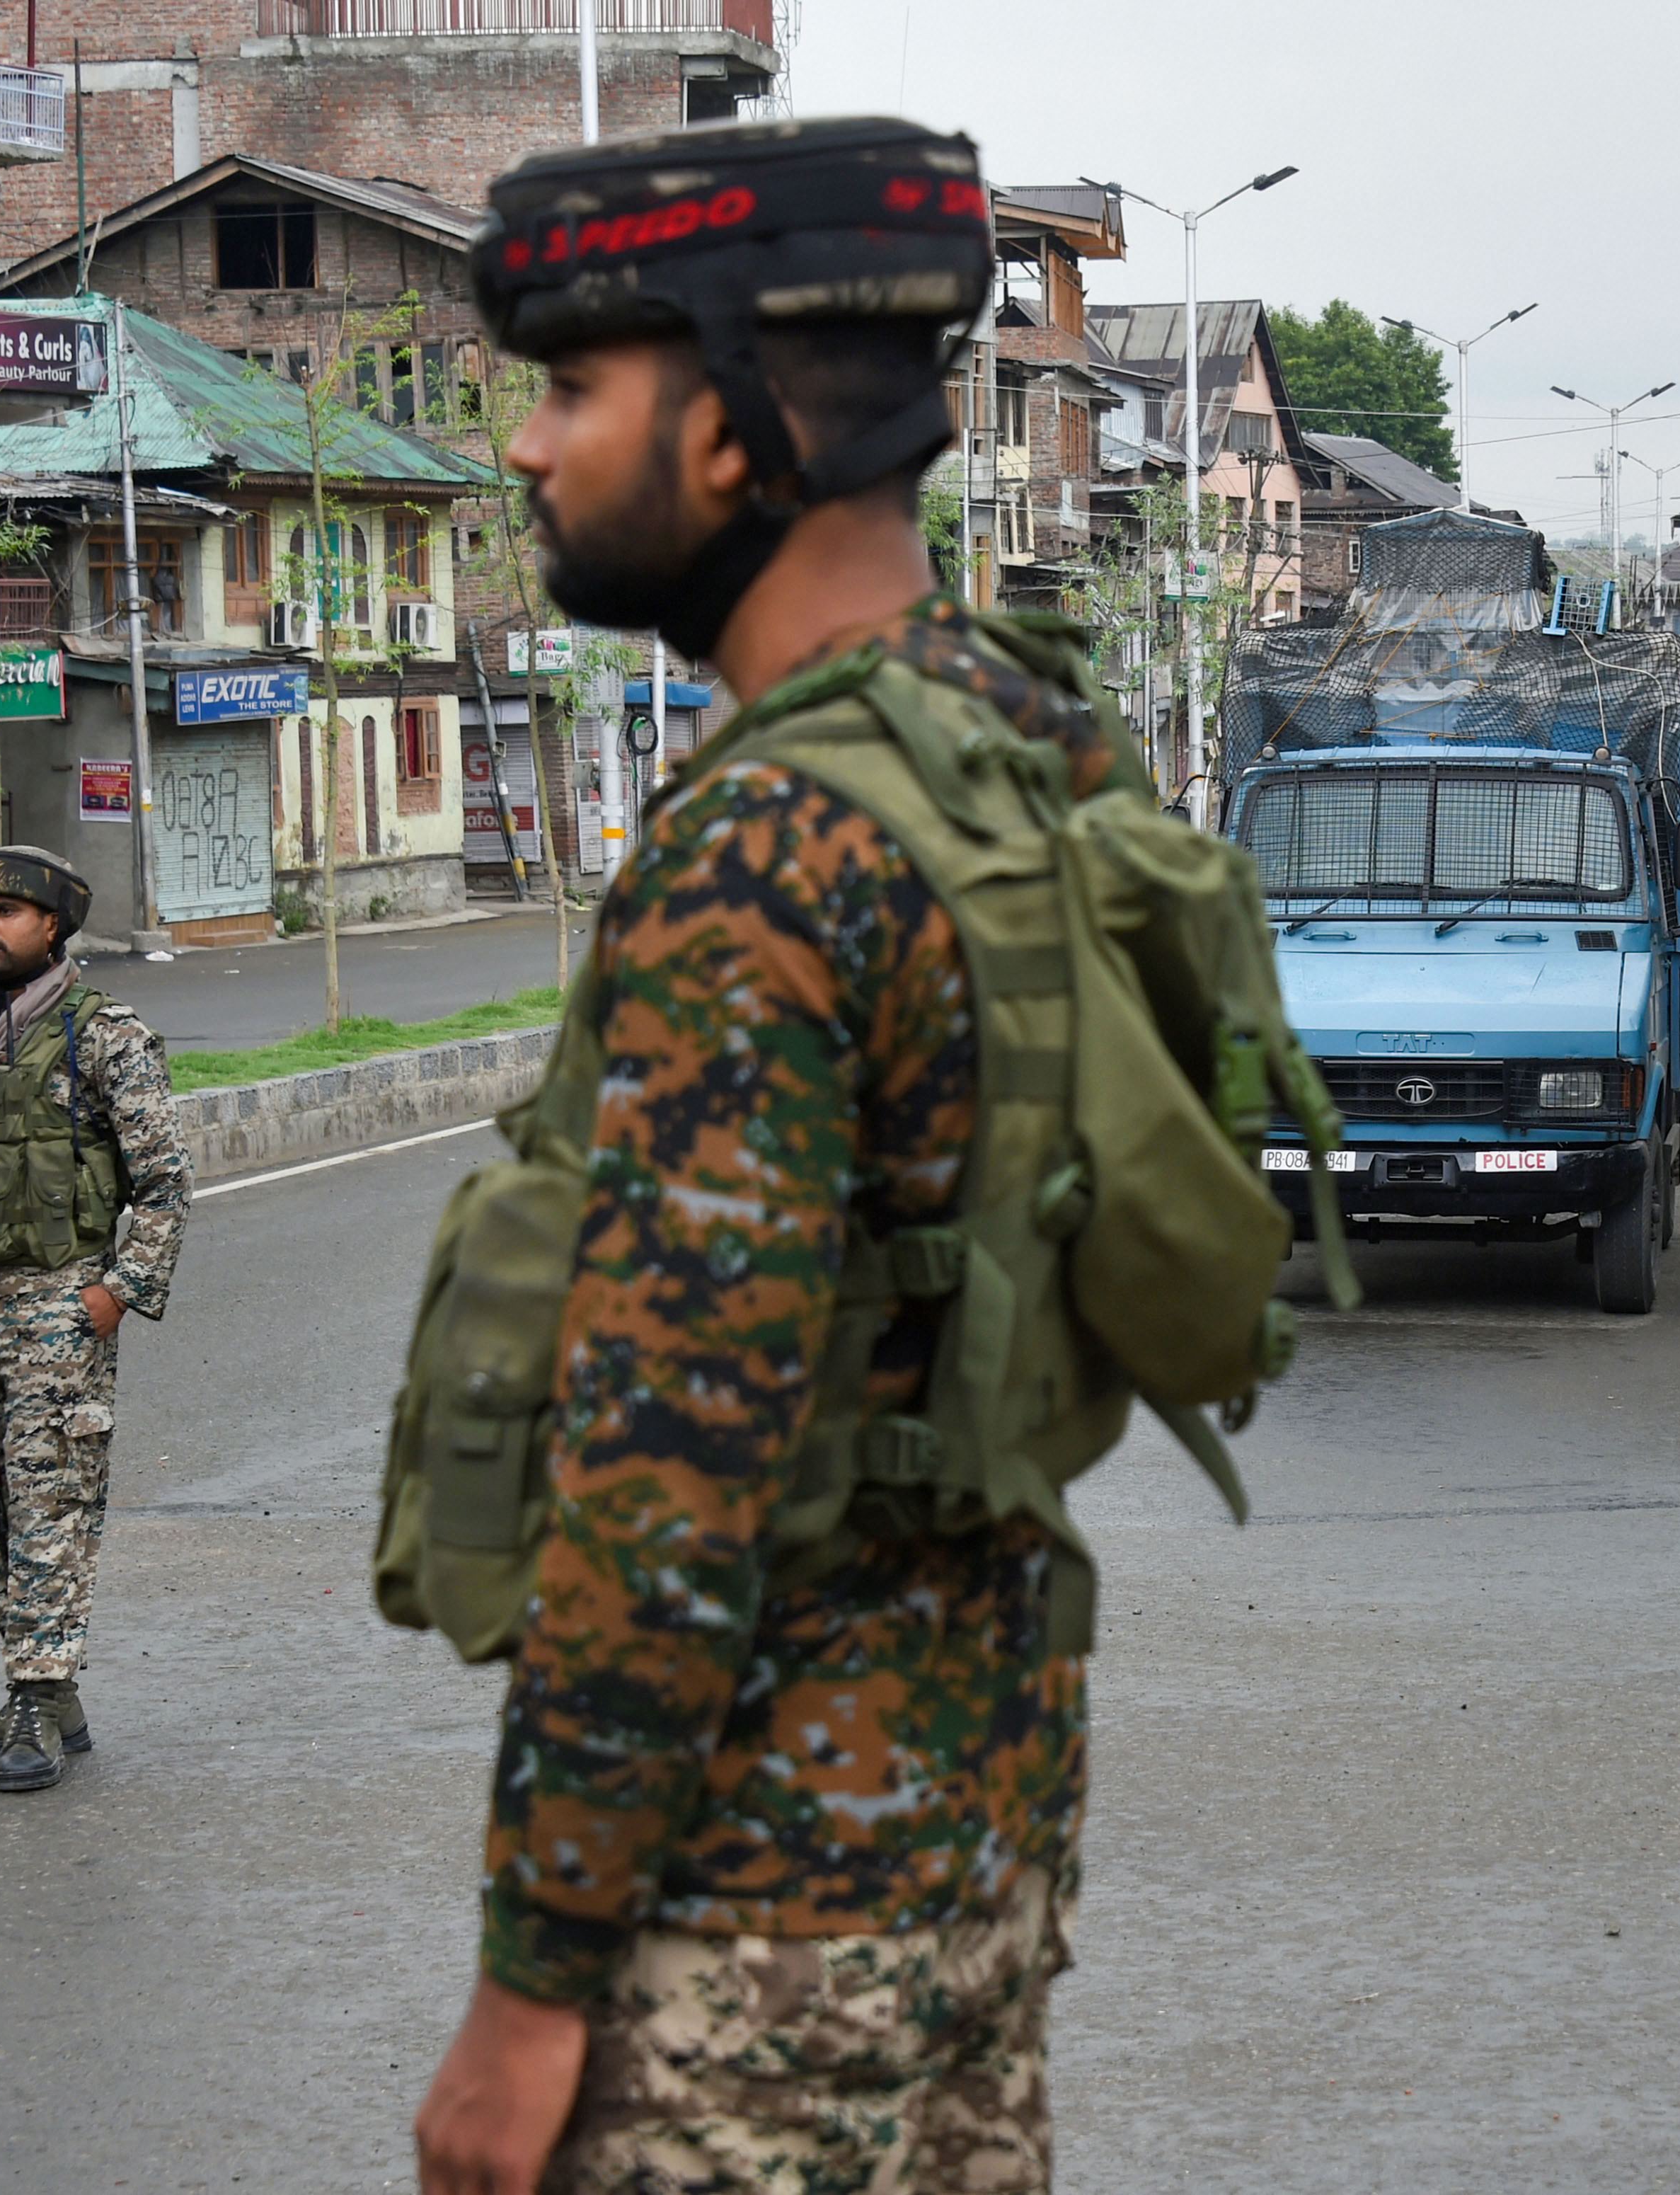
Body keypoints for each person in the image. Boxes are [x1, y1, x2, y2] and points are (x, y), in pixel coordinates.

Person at [411, 117, 1144, 2195]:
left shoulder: (756, 857)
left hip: (748, 1929)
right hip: (977, 1849)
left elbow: (669, 1482)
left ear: (733, 436)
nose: (532, 451)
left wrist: (530, 1987)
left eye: (573, 390)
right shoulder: (1027, 741)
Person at [0, 847, 190, 1793]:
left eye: (8, 913)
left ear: (52, 926)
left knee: (50, 1506)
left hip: (62, 1308)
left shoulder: (103, 1037)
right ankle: (46, 1696)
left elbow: (164, 1183)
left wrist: (118, 1292)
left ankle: (37, 1689)